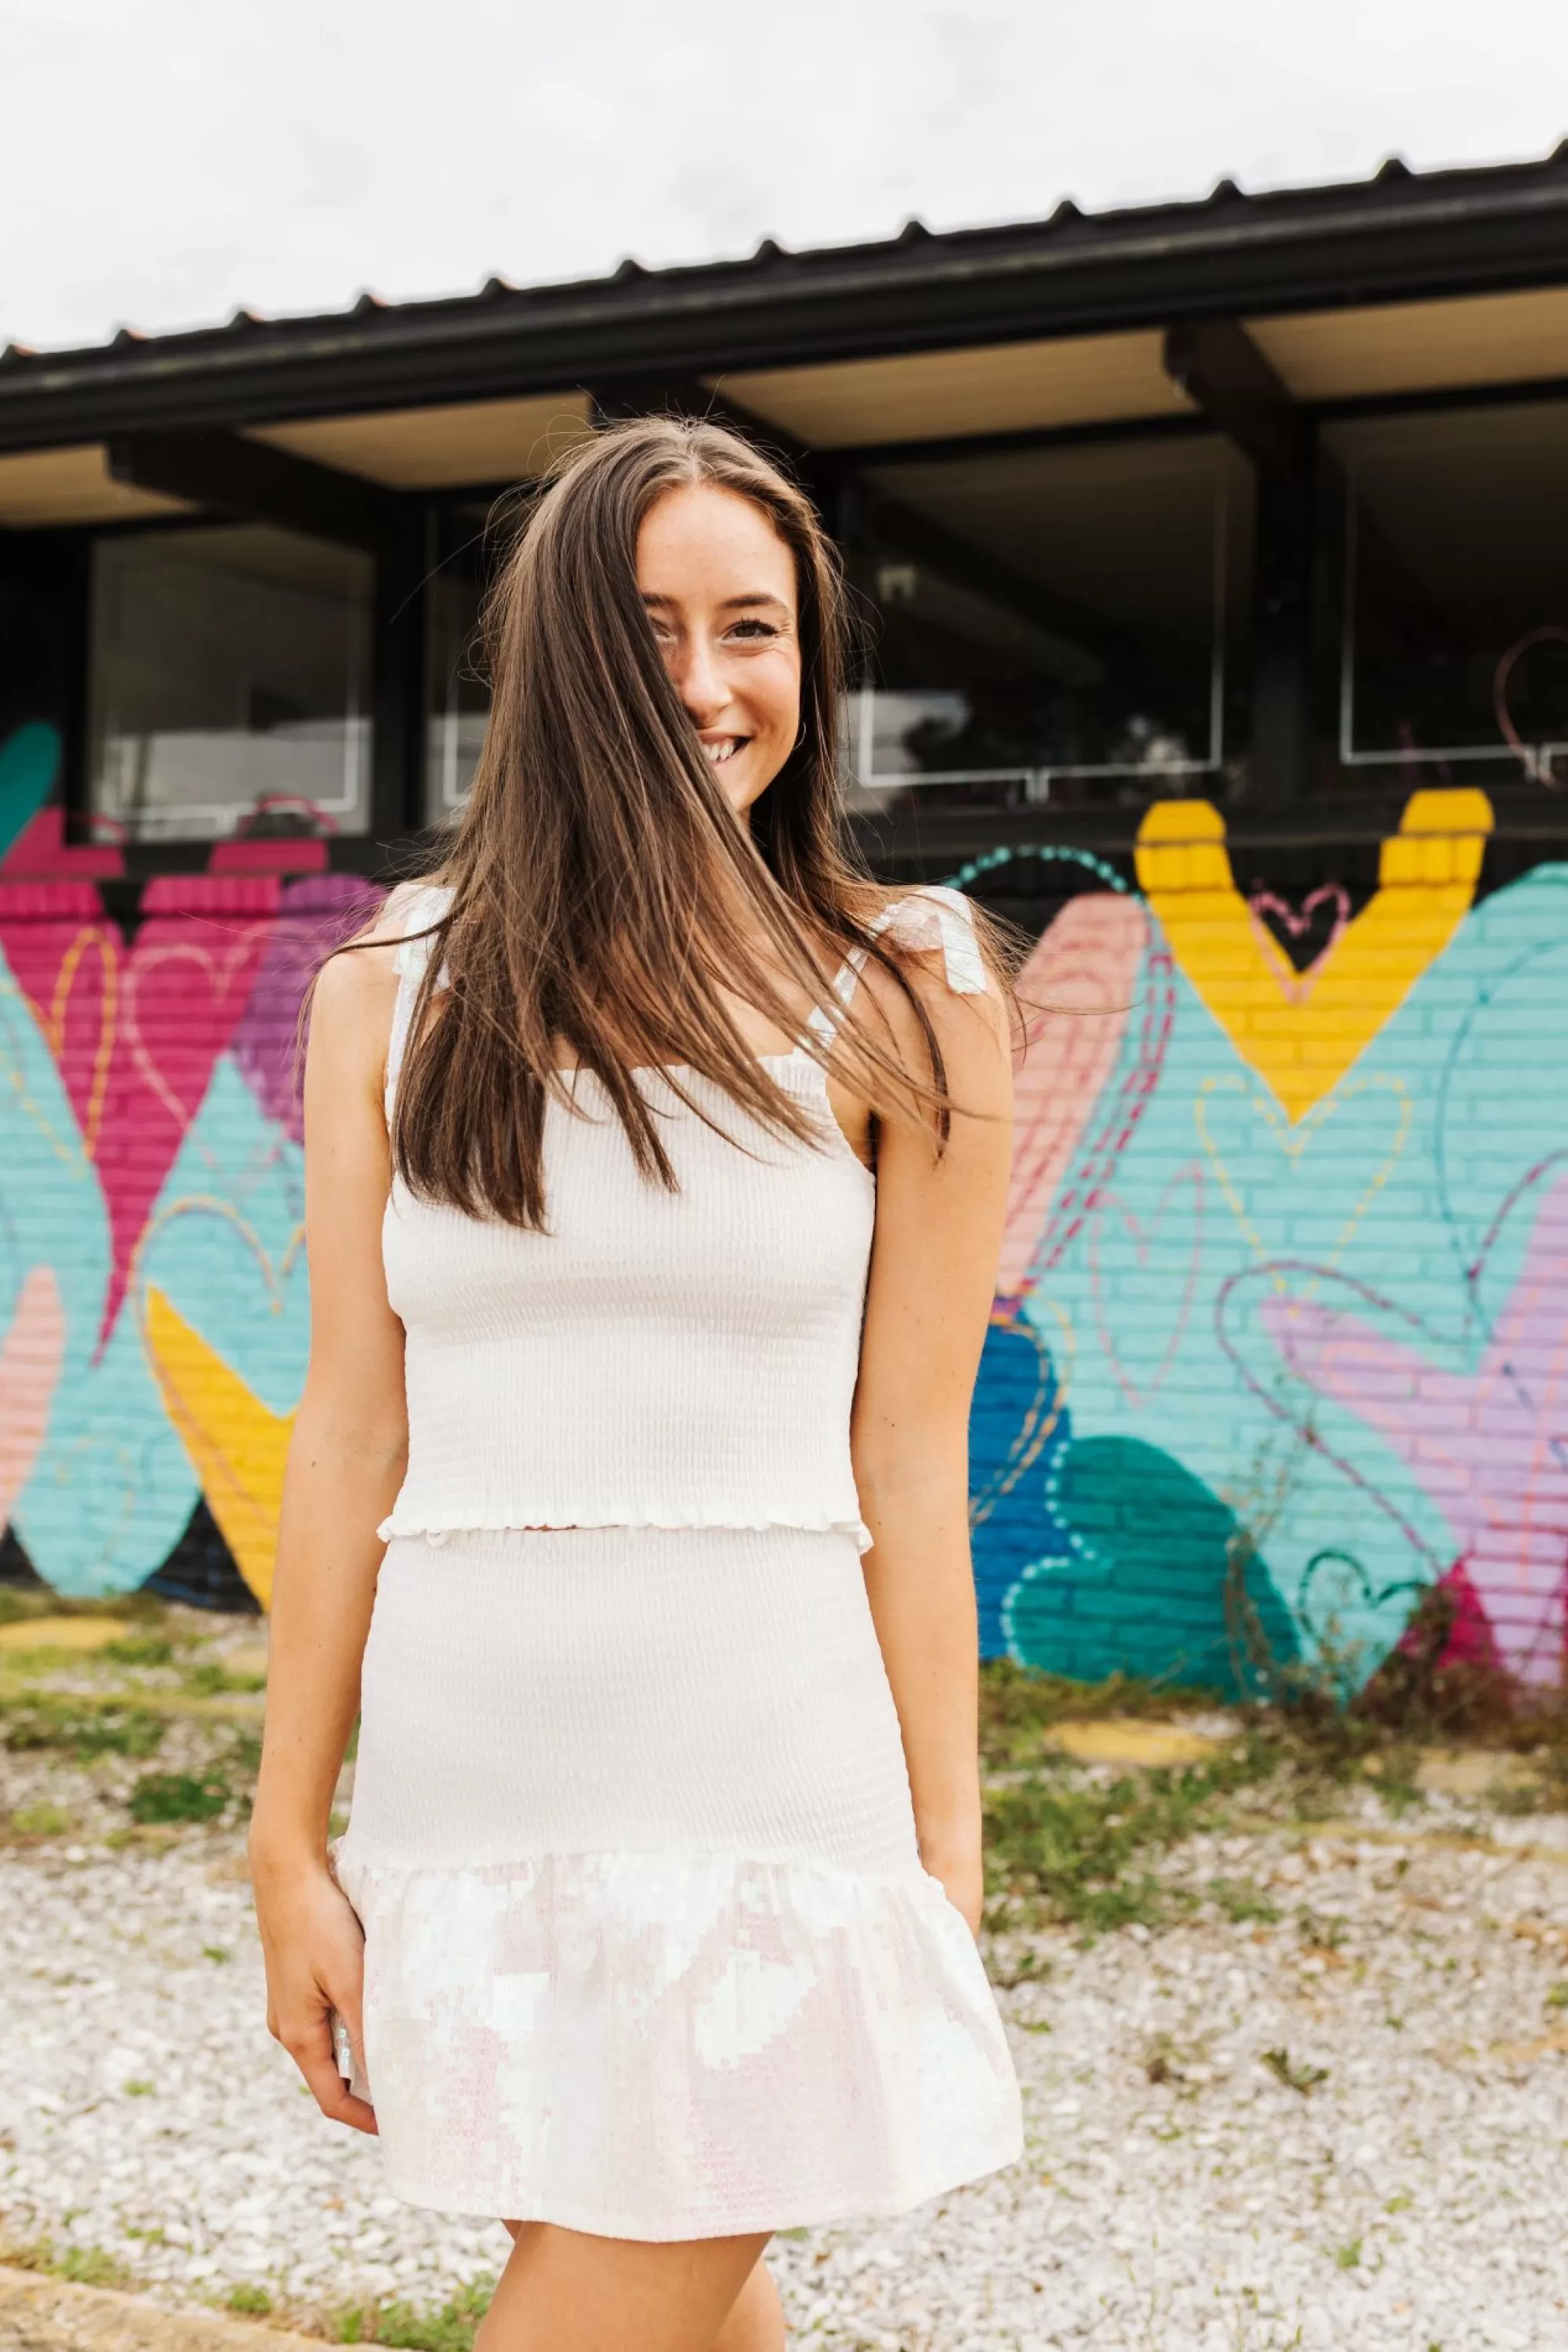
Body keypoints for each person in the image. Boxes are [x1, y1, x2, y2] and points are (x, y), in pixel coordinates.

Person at [249, 417, 1023, 2352]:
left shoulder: (908, 982)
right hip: (469, 1782)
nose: (704, 682)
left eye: (751, 629)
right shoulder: (388, 990)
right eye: (650, 626)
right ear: (553, 662)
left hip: (763, 1771)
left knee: (598, 2299)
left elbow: (909, 1454)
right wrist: (286, 1838)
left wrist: (945, 1845)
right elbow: (352, 1427)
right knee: (674, 2288)